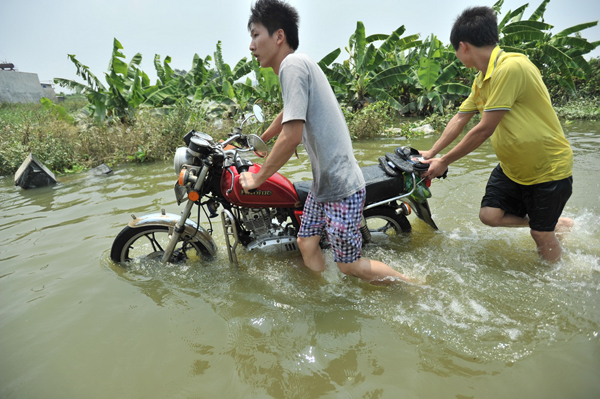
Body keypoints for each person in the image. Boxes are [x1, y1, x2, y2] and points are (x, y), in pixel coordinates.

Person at [240, 0, 411, 284]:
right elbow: (288, 113)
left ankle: (412, 284)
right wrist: (260, 139)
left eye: (256, 35)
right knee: (307, 243)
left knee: (350, 265)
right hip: (324, 186)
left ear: (279, 36)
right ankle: (324, 297)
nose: (251, 45)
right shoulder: (298, 65)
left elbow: (292, 136)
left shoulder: (292, 65)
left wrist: (257, 179)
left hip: (341, 188)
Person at [420, 6, 573, 261]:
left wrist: (445, 161)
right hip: (514, 167)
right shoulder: (482, 78)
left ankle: (556, 278)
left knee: (541, 235)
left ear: (463, 46)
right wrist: (432, 153)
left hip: (547, 168)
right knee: (490, 215)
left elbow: (484, 129)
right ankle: (554, 223)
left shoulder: (510, 68)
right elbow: (460, 118)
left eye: (456, 50)